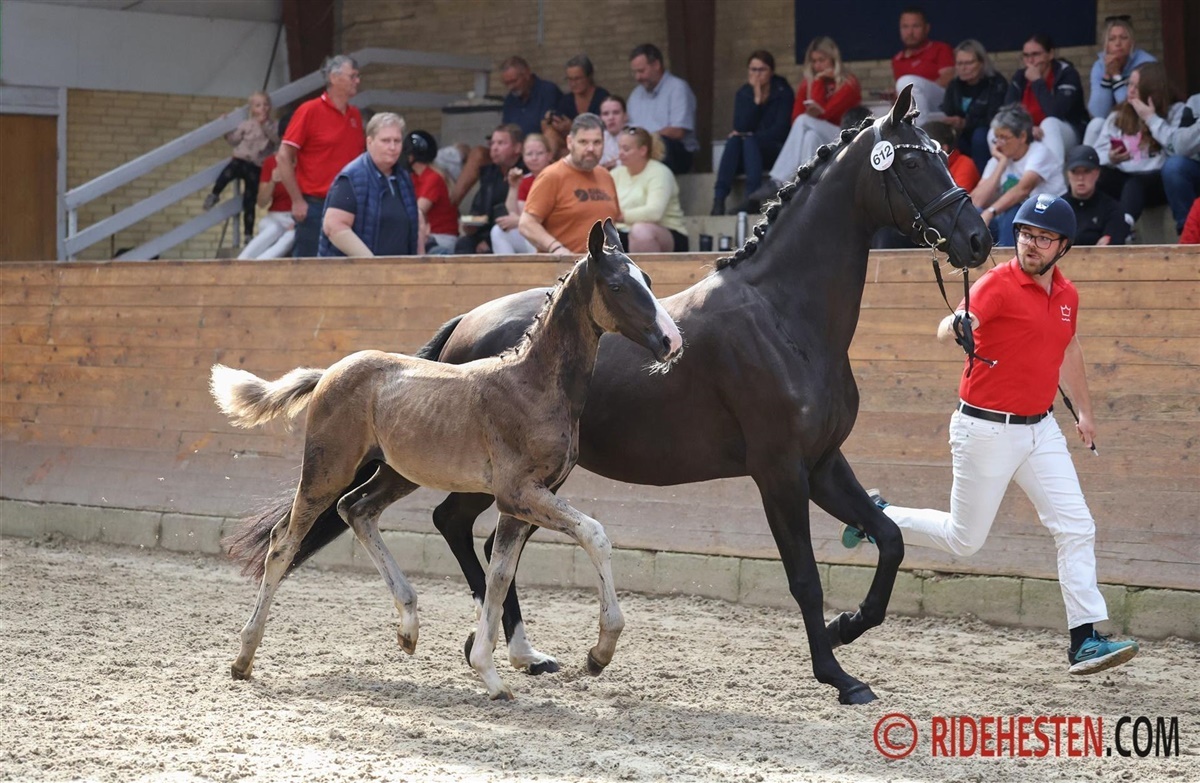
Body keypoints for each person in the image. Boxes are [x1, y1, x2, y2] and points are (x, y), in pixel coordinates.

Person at [846, 194, 1140, 678]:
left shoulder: (1067, 296)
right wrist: (957, 323)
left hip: (1041, 430)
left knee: (1076, 526)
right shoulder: (998, 283)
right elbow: (952, 324)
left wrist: (1085, 412)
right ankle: (874, 514)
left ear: (1063, 246)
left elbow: (1068, 350)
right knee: (964, 541)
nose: (1031, 244)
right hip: (985, 429)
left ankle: (1084, 639)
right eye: (1025, 234)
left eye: (1044, 238)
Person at [750, 37, 860, 201]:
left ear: (833, 59)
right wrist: (816, 85)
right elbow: (795, 119)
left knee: (804, 121)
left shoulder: (849, 82)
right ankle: (806, 186)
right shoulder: (806, 84)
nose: (817, 66)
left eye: (822, 60)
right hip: (820, 141)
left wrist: (818, 82)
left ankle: (778, 180)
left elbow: (829, 114)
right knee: (809, 135)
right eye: (814, 61)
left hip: (842, 138)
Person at [277, 54, 366, 258]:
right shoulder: (309, 111)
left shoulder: (355, 115)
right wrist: (297, 200)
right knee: (310, 267)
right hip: (316, 206)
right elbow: (283, 156)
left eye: (358, 76)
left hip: (350, 205)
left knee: (349, 266)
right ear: (334, 78)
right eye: (352, 76)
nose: (357, 81)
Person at [1092, 63, 1184, 231]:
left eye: (1137, 86)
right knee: (1096, 178)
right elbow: (1097, 153)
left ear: (1153, 90)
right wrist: (1111, 157)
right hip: (1124, 176)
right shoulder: (1118, 115)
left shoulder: (1175, 112)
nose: (1131, 90)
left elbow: (1178, 148)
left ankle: (1122, 230)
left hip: (1157, 180)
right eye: (1130, 84)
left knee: (1135, 184)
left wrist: (1151, 118)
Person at [318, 113, 419, 257]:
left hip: (399, 269)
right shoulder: (351, 178)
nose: (392, 147)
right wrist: (371, 263)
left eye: (397, 141)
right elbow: (334, 226)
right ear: (369, 142)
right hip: (357, 269)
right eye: (385, 141)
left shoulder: (403, 178)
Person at [519, 113, 620, 255]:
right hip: (564, 266)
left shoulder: (606, 176)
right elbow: (526, 224)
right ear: (569, 142)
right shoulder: (552, 176)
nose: (591, 148)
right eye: (583, 142)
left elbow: (613, 222)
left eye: (597, 142)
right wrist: (556, 248)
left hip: (603, 265)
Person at [711, 50, 793, 215]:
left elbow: (781, 130)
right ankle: (719, 200)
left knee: (748, 140)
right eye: (753, 69)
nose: (757, 74)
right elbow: (740, 126)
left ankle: (752, 197)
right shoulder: (744, 93)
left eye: (761, 70)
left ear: (771, 71)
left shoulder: (783, 92)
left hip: (773, 151)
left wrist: (752, 137)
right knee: (734, 141)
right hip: (748, 153)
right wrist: (756, 100)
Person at [971, 104, 1066, 245]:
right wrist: (1001, 164)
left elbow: (1022, 190)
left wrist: (991, 211)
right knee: (973, 215)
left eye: (1004, 138)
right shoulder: (999, 158)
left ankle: (1008, 257)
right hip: (1010, 222)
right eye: (996, 138)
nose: (999, 144)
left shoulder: (1039, 153)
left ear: (1022, 136)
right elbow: (976, 201)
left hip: (1048, 218)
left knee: (1015, 211)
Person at [204, 90, 279, 238]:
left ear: (270, 107)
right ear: (252, 109)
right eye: (258, 105)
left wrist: (265, 125)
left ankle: (248, 234)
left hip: (257, 166)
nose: (263, 108)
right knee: (226, 174)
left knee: (249, 199)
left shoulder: (273, 125)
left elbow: (276, 140)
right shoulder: (246, 125)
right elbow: (234, 140)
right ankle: (215, 193)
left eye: (266, 105)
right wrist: (225, 128)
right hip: (241, 160)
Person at [626, 43, 699, 174]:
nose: (638, 77)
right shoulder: (635, 95)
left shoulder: (678, 88)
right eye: (635, 72)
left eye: (641, 71)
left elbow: (678, 131)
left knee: (663, 144)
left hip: (676, 153)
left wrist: (648, 139)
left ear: (656, 65)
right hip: (642, 151)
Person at [1084, 16, 1156, 147]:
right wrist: (1107, 75)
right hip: (1112, 123)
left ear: (1132, 42)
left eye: (1123, 38)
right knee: (1096, 124)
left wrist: (1116, 76)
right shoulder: (1099, 66)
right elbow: (1098, 112)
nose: (1118, 43)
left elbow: (1131, 108)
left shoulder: (1146, 63)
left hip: (1141, 121)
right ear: (1105, 45)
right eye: (1112, 39)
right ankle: (1084, 160)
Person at [613, 127, 688, 252]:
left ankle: (647, 266)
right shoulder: (615, 174)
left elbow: (654, 213)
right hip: (622, 231)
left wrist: (621, 216)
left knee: (640, 231)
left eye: (626, 149)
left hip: (664, 232)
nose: (620, 153)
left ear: (643, 150)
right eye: (619, 148)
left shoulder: (660, 172)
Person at [454, 124, 524, 254]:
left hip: (514, 231)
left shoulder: (525, 173)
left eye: (501, 143)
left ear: (517, 148)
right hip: (485, 232)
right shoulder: (489, 173)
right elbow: (479, 209)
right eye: (492, 143)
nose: (494, 148)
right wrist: (471, 224)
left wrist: (488, 240)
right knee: (463, 244)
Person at [941, 40, 1008, 174]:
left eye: (968, 63)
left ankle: (984, 178)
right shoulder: (954, 85)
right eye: (959, 63)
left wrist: (965, 123)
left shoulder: (996, 84)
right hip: (962, 135)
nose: (963, 68)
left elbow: (995, 118)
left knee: (980, 135)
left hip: (989, 135)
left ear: (982, 63)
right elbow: (948, 111)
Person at [490, 133, 553, 254]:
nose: (534, 158)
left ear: (549, 155)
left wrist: (519, 221)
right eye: (529, 154)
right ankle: (510, 267)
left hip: (555, 233)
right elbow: (514, 212)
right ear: (523, 157)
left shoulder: (557, 177)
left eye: (539, 153)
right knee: (498, 231)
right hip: (535, 231)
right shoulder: (526, 180)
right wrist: (514, 187)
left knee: (532, 233)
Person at [891, 6, 954, 120]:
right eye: (905, 27)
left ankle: (919, 124)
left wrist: (919, 90)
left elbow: (948, 80)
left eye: (916, 26)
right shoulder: (897, 59)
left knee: (907, 82)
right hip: (917, 108)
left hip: (942, 103)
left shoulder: (940, 48)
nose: (910, 32)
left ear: (927, 28)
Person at [543, 54, 611, 157]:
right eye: (570, 79)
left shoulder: (602, 97)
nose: (573, 83)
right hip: (572, 144)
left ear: (589, 77)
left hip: (595, 143)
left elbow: (602, 129)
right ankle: (545, 162)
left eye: (577, 79)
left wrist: (572, 127)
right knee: (550, 132)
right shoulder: (567, 100)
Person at [406, 130, 460, 255]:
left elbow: (418, 212)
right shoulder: (414, 177)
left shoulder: (433, 177)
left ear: (412, 157)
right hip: (427, 235)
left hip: (441, 238)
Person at [1063, 145, 1129, 246]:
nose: (1080, 178)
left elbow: (1111, 247)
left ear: (1097, 173)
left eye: (1087, 171)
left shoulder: (1112, 209)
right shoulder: (1056, 209)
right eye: (1075, 171)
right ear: (1068, 174)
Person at [237, 153, 294, 259]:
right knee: (274, 229)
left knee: (292, 235)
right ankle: (241, 260)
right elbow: (261, 203)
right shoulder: (271, 162)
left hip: (295, 217)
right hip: (275, 216)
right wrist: (272, 181)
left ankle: (260, 263)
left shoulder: (305, 162)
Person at [1159, 92, 1200, 234]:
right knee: (1174, 166)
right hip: (1197, 168)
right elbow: (1179, 147)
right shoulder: (1195, 102)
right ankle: (1189, 232)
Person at [500, 56, 562, 137]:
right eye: (507, 83)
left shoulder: (547, 91)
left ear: (527, 74)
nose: (511, 87)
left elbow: (549, 128)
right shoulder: (509, 100)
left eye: (514, 81)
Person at [598, 94, 628, 169]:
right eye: (605, 114)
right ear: (600, 118)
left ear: (625, 116)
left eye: (616, 112)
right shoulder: (597, 139)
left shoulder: (634, 138)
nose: (611, 118)